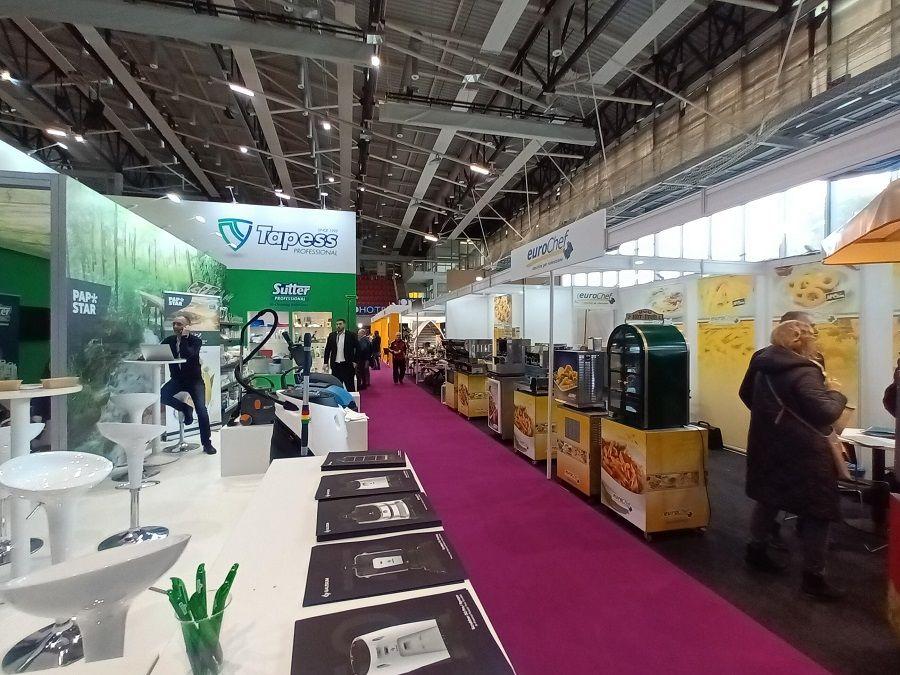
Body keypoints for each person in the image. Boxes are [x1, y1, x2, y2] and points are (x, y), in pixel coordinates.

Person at [739, 320, 848, 600]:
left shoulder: (762, 363)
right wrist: (836, 393)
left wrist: (774, 419)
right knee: (818, 510)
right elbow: (826, 412)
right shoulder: (804, 371)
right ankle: (814, 577)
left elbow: (746, 394)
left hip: (768, 443)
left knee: (768, 498)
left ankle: (756, 550)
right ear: (803, 341)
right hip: (804, 451)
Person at [160, 315, 215, 455]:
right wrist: (145, 356)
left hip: (194, 380)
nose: (175, 326)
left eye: (179, 324)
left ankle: (207, 444)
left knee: (201, 410)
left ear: (187, 326)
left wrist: (184, 338)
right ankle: (185, 408)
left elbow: (187, 354)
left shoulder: (196, 341)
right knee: (162, 395)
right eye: (174, 324)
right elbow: (158, 352)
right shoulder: (169, 341)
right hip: (177, 379)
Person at [324, 318, 358, 391]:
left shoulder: (351, 335)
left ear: (344, 325)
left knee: (350, 387)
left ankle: (350, 398)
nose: (338, 326)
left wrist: (355, 361)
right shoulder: (332, 335)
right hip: (335, 366)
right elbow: (327, 349)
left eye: (340, 324)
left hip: (347, 365)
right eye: (337, 324)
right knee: (336, 388)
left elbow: (358, 348)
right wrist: (325, 362)